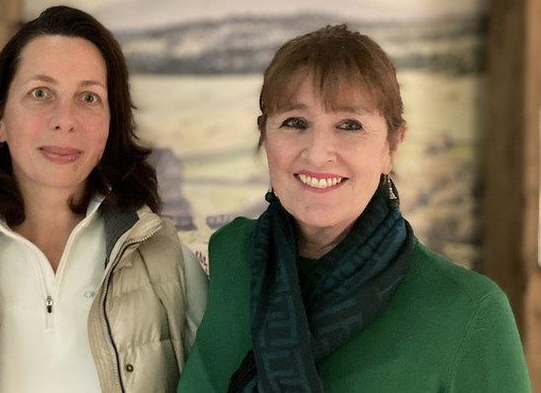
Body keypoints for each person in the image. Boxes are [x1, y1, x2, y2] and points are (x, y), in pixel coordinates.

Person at [178, 25, 531, 392]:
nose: (317, 152)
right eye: (294, 122)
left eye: (350, 125)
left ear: (392, 145)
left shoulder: (470, 311)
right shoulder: (231, 255)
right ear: (265, 136)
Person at [0, 5, 208, 393]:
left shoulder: (167, 261)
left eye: (88, 97)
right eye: (40, 93)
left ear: (111, 123)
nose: (64, 119)